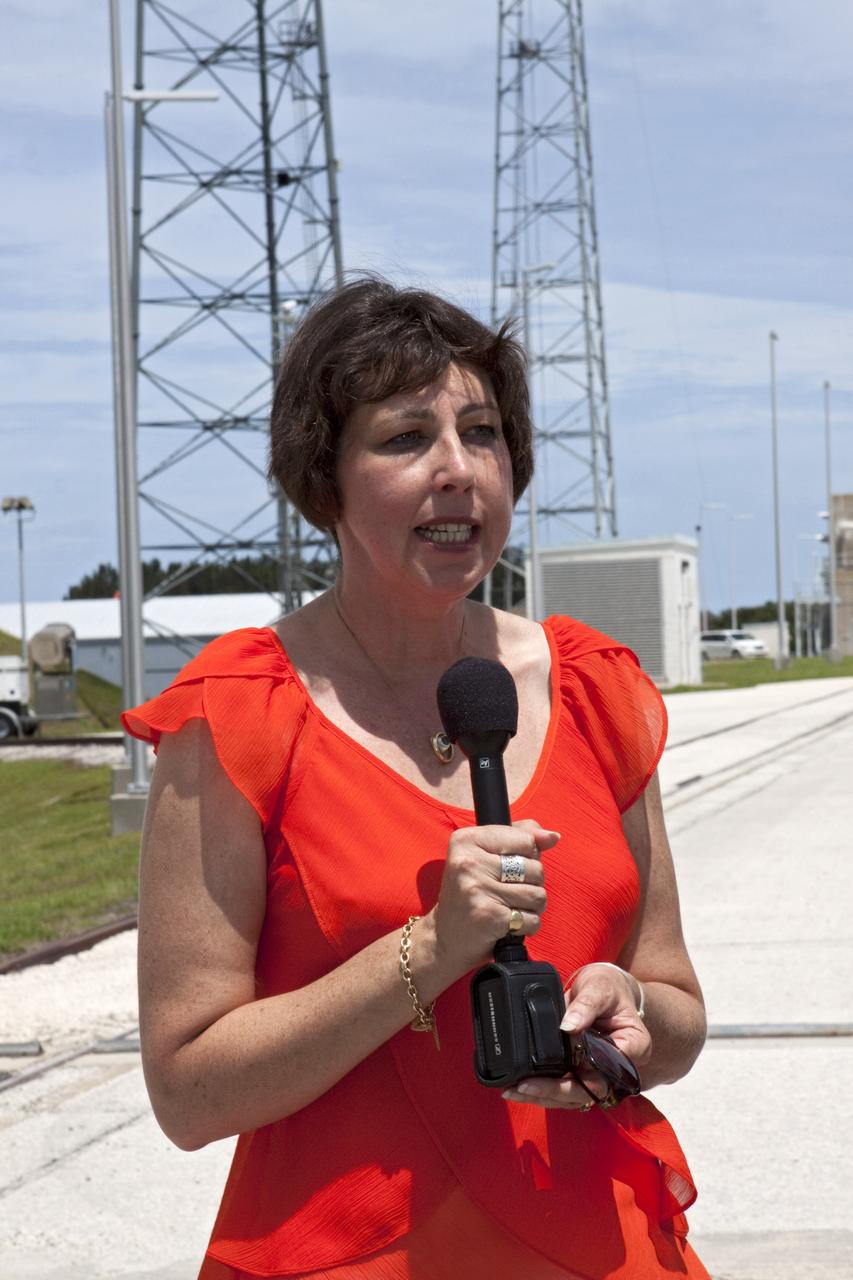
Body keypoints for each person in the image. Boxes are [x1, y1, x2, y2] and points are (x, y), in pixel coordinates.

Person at [122, 277, 710, 1280]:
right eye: (404, 438)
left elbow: (678, 1004)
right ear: (325, 478)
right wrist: (429, 950)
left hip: (601, 1246)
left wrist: (630, 1013)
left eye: (482, 433)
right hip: (348, 1254)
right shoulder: (239, 715)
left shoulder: (594, 687)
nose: (456, 470)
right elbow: (188, 1091)